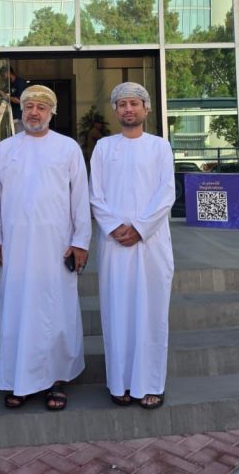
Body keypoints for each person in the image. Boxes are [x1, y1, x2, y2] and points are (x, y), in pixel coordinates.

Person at [0, 84, 91, 411]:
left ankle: (56, 380)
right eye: (29, 106)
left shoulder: (68, 148)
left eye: (42, 107)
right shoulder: (5, 149)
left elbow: (81, 198)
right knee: (17, 312)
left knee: (55, 313)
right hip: (16, 246)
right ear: (22, 111)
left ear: (52, 112)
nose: (34, 112)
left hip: (57, 246)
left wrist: (80, 241)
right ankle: (18, 379)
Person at [89, 81, 175, 410]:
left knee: (151, 313)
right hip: (114, 244)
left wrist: (140, 228)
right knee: (117, 312)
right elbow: (95, 194)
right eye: (122, 104)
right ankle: (120, 383)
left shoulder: (160, 146)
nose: (128, 109)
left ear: (146, 109)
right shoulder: (103, 148)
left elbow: (167, 192)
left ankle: (151, 384)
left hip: (151, 243)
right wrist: (114, 227)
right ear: (115, 110)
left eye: (134, 103)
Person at [0, 65, 27, 134]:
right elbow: (2, 93)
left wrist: (6, 96)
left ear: (8, 72)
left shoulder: (19, 82)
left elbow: (19, 101)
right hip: (14, 117)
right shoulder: (10, 84)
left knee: (20, 137)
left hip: (20, 117)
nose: (3, 78)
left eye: (3, 75)